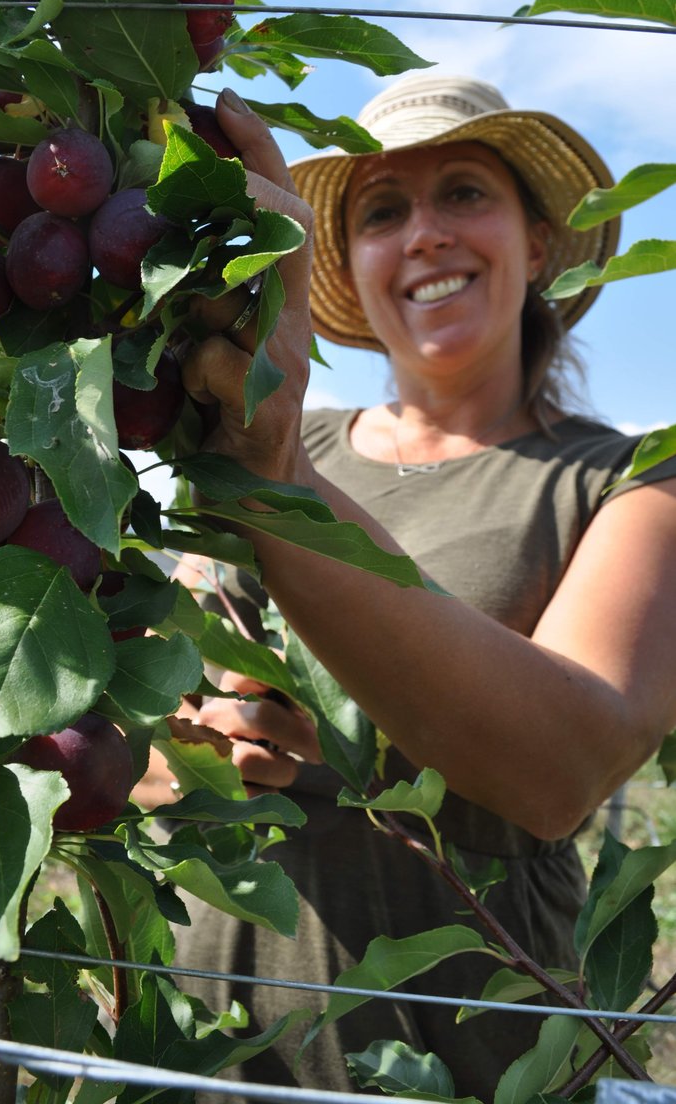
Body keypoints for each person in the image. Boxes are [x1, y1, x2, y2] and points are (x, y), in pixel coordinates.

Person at [139, 74, 676, 1098]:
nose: (424, 234)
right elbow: (141, 732)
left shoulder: (630, 478)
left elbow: (562, 763)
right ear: (345, 264)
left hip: (467, 1064)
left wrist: (278, 485)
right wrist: (182, 754)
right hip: (200, 1054)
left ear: (536, 244)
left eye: (464, 193)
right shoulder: (264, 433)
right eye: (382, 212)